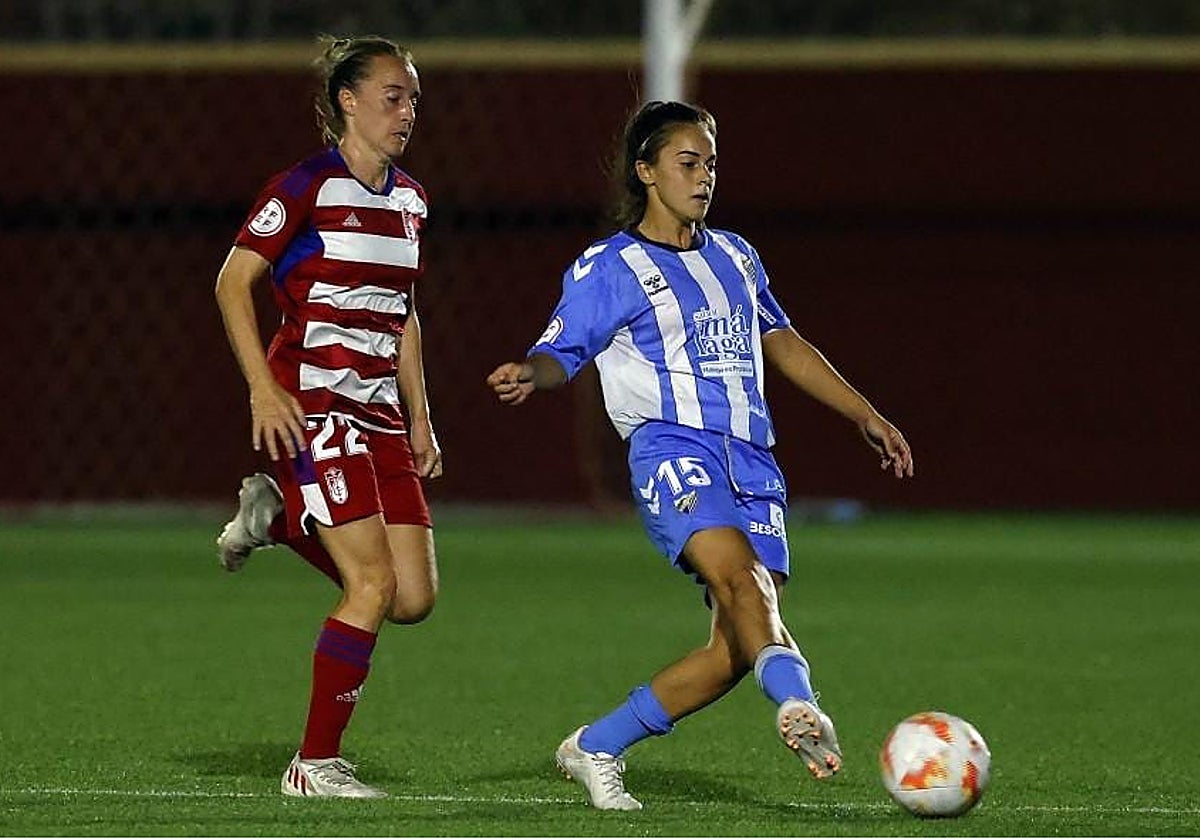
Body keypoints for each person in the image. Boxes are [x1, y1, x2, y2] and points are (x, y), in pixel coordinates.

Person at [487, 100, 914, 811]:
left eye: (711, 163)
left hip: (751, 457)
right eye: (688, 163)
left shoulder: (737, 256)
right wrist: (532, 373)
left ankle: (595, 745)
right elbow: (564, 348)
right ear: (647, 172)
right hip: (670, 447)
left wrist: (863, 413)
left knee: (738, 646)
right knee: (745, 585)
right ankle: (800, 706)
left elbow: (783, 341)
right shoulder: (614, 264)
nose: (704, 176)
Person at [214, 35, 441, 799]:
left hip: (379, 414)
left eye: (412, 96)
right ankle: (313, 765)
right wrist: (261, 389)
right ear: (348, 100)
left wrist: (421, 417)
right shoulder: (306, 185)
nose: (406, 110)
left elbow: (403, 312)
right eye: (392, 94)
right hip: (314, 403)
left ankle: (278, 521)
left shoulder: (411, 200)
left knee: (411, 599)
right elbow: (231, 281)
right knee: (371, 585)